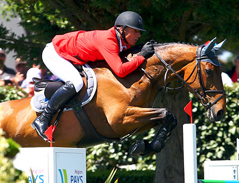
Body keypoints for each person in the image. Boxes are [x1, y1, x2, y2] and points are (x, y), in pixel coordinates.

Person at [31, 11, 155, 142]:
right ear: (122, 29)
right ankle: (43, 119)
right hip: (55, 54)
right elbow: (120, 70)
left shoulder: (121, 41)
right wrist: (141, 56)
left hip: (72, 56)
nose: (139, 35)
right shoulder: (108, 41)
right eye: (135, 31)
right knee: (77, 83)